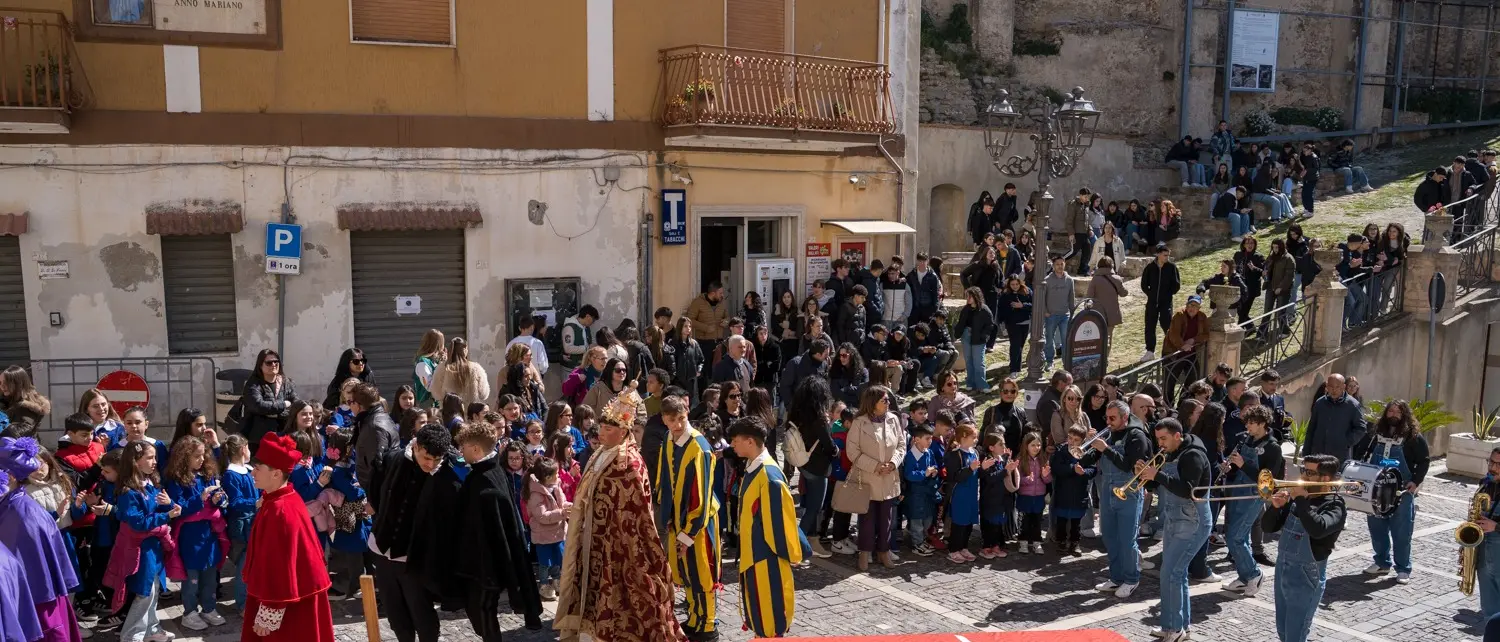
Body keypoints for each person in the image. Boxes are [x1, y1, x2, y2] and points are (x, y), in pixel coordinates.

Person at [554, 388, 683, 642]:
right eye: (601, 428)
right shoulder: (601, 453)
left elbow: (637, 514)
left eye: (607, 429)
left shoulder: (630, 465)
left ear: (623, 431)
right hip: (592, 537)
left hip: (619, 546)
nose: (601, 433)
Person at [451, 422, 544, 639]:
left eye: (463, 447)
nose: (460, 451)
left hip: (487, 565)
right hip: (490, 562)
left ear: (475, 449)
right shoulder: (491, 470)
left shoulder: (484, 483)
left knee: (481, 609)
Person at [726, 415, 804, 639]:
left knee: (770, 616)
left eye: (735, 440)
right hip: (755, 556)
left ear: (750, 441)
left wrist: (791, 553)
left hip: (767, 559)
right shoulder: (753, 468)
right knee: (759, 614)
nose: (732, 444)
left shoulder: (769, 476)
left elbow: (779, 523)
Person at [0, 436, 83, 642]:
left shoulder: (24, 516)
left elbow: (37, 581)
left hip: (38, 606)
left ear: (9, 477)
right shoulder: (10, 506)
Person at [1137, 418, 1211, 642]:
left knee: (1171, 574)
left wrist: (1156, 475)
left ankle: (1174, 628)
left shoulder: (1193, 456)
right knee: (1176, 575)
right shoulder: (1171, 451)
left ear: (1177, 436)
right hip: (1174, 519)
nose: (1160, 444)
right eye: (1157, 439)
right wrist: (1146, 476)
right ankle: (1178, 626)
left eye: (1163, 439)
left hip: (1192, 521)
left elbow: (1188, 489)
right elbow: (1160, 485)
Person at [655, 395, 721, 641]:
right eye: (672, 420)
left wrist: (688, 534)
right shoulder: (668, 439)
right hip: (678, 519)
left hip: (698, 522)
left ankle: (708, 624)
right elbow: (664, 477)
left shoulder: (699, 447)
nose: (678, 425)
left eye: (681, 418)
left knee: (702, 572)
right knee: (685, 571)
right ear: (664, 420)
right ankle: (695, 617)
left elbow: (701, 498)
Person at [1264, 454, 1348, 642]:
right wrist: (1276, 508)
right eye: (1303, 471)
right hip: (1283, 569)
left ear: (1325, 478)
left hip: (1306, 575)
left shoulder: (1334, 506)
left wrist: (1301, 501)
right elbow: (1267, 528)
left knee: (1296, 633)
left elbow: (1318, 529)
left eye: (1309, 473)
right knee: (1283, 630)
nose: (1303, 477)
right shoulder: (1299, 500)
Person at [1080, 400, 1150, 597]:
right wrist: (1084, 451)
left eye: (1112, 418)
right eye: (1106, 418)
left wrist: (1105, 449)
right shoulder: (1108, 435)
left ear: (1125, 417)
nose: (1108, 422)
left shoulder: (1136, 436)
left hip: (1128, 493)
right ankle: (1116, 577)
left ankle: (1131, 578)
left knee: (1127, 540)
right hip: (1108, 492)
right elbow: (1089, 458)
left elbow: (1128, 465)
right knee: (1109, 537)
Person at [1354, 399, 1427, 583]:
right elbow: (1360, 452)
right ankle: (1382, 562)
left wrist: (1415, 481)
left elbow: (1424, 460)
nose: (1393, 415)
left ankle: (1403, 569)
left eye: (1397, 412)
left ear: (1404, 415)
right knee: (1376, 528)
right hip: (1375, 490)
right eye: (1390, 411)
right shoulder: (1375, 433)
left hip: (1402, 491)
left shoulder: (1413, 437)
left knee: (1402, 532)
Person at [162, 435, 229, 631]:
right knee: (191, 579)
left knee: (210, 575)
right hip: (189, 537)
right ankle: (189, 612)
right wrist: (201, 499)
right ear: (183, 457)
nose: (201, 460)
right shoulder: (175, 481)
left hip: (208, 535)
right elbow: (178, 508)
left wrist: (219, 499)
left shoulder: (205, 475)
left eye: (203, 455)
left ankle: (209, 608)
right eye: (196, 456)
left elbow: (219, 505)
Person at [845, 385, 904, 571]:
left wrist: (893, 464)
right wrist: (876, 466)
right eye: (884, 400)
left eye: (888, 400)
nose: (888, 403)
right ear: (873, 403)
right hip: (868, 478)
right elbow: (852, 451)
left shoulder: (894, 420)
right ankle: (864, 552)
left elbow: (902, 445)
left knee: (887, 518)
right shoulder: (859, 423)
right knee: (867, 519)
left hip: (888, 479)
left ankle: (883, 551)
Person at [241, 348, 296, 452]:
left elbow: (295, 405)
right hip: (259, 438)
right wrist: (284, 404)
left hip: (284, 435)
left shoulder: (286, 382)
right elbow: (259, 406)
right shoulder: (253, 385)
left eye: (276, 362)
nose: (274, 365)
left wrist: (274, 413)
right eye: (269, 363)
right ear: (260, 365)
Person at [1304, 374, 1367, 464]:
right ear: (1327, 387)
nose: (1334, 390)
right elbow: (1311, 429)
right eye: (1331, 387)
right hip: (1318, 454)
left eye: (1337, 387)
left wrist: (1346, 441)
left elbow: (1361, 428)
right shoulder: (1320, 403)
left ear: (1344, 387)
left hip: (1339, 456)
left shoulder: (1352, 405)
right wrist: (1306, 453)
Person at [1141, 243, 1181, 362]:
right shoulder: (1150, 267)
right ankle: (1150, 351)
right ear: (1158, 254)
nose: (1166, 257)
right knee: (1150, 325)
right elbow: (1144, 284)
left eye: (1168, 255)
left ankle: (1171, 349)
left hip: (1166, 302)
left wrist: (1168, 294)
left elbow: (1176, 285)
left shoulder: (1172, 267)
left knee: (1167, 325)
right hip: (1152, 302)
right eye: (1164, 255)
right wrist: (1151, 294)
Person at [954, 287, 995, 392]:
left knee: (979, 362)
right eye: (967, 296)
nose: (968, 298)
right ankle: (970, 383)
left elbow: (990, 325)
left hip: (978, 337)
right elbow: (961, 322)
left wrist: (984, 336)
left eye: (970, 296)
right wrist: (958, 332)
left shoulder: (984, 309)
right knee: (968, 360)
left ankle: (982, 385)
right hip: (966, 336)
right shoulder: (966, 309)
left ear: (976, 296)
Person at [1037, 253, 1074, 370]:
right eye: (1057, 264)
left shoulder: (1069, 280)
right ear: (1053, 266)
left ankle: (1065, 362)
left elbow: (1071, 297)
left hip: (1065, 315)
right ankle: (1049, 361)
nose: (1060, 266)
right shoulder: (1047, 280)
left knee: (1065, 340)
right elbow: (1042, 298)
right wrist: (1045, 311)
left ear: (1065, 264)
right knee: (1049, 340)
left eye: (1061, 264)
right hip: (1051, 315)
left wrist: (1072, 312)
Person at [1476, 448, 1500, 619]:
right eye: (1491, 462)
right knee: (1489, 609)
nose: (1493, 467)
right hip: (1484, 550)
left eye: (1499, 464)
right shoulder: (1486, 484)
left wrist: (1496, 526)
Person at [561, 305, 600, 371]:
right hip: (571, 367)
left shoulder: (586, 327)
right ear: (587, 316)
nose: (593, 322)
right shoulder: (570, 327)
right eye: (593, 320)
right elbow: (568, 348)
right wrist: (587, 348)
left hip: (583, 365)